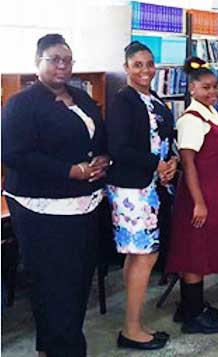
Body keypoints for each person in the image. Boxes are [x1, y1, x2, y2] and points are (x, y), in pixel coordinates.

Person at [2, 33, 109, 357]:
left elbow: (99, 137)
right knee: (52, 287)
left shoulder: (83, 97)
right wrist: (70, 171)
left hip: (84, 207)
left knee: (77, 284)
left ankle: (51, 347)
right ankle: (67, 349)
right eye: (54, 59)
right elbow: (13, 154)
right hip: (42, 211)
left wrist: (103, 159)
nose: (62, 66)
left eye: (67, 60)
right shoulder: (22, 104)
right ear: (38, 64)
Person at [106, 40, 175, 350]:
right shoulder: (123, 100)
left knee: (141, 255)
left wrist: (171, 162)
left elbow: (165, 138)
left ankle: (134, 323)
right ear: (126, 68)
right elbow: (119, 149)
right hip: (132, 189)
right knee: (144, 255)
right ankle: (131, 330)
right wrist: (157, 163)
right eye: (138, 65)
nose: (145, 70)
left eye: (149, 64)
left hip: (152, 186)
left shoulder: (155, 99)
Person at [167, 57, 218, 334]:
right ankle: (193, 316)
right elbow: (189, 162)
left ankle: (191, 305)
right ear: (191, 89)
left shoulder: (211, 113)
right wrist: (198, 201)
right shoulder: (191, 120)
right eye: (205, 87)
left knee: (202, 249)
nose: (211, 92)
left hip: (215, 188)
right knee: (193, 252)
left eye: (215, 87)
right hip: (199, 192)